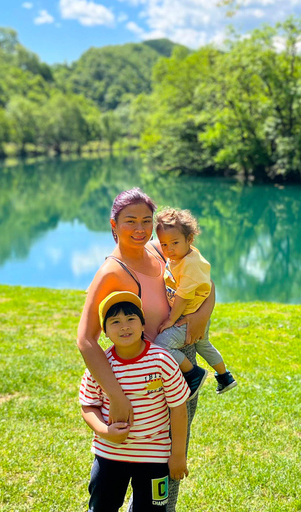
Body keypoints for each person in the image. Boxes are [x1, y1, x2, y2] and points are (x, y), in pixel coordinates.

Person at [77, 188, 214, 511]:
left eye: (146, 221)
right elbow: (85, 339)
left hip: (179, 368)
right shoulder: (112, 271)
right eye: (130, 222)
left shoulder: (158, 250)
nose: (140, 229)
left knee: (171, 463)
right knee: (142, 464)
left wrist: (205, 310)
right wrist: (116, 395)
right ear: (113, 224)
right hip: (140, 381)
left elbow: (201, 273)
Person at [79, 291, 190, 512]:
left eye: (131, 319)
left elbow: (178, 409)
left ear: (142, 324)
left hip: (154, 456)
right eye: (115, 321)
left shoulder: (161, 361)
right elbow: (88, 405)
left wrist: (177, 455)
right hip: (109, 454)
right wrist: (104, 430)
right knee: (101, 507)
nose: (124, 326)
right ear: (106, 332)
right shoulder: (100, 367)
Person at [154, 207, 237, 396]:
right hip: (197, 312)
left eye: (174, 243)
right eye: (164, 244)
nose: (169, 249)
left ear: (190, 239)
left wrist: (171, 321)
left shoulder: (190, 264)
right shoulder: (184, 255)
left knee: (161, 346)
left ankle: (193, 374)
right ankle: (225, 376)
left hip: (185, 316)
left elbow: (182, 298)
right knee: (203, 344)